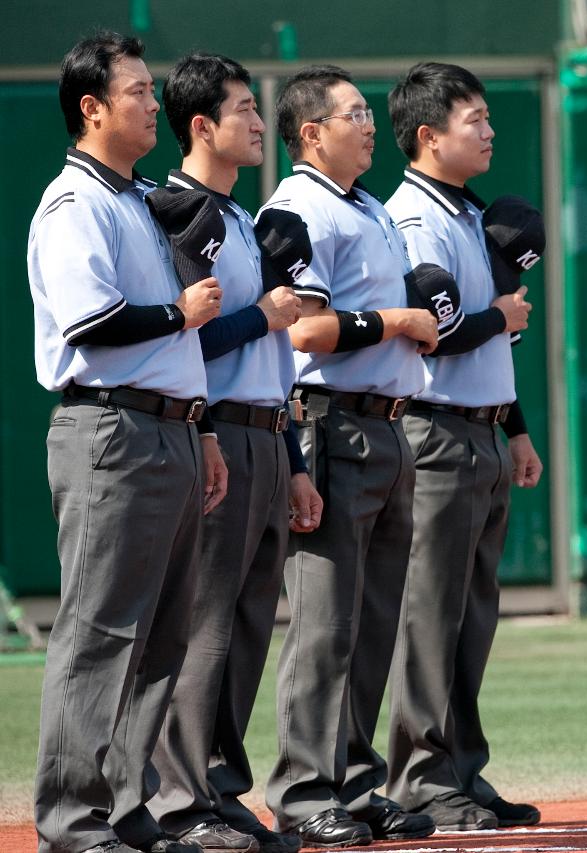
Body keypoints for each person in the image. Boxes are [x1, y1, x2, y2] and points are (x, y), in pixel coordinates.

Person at [29, 31, 228, 853]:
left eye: (152, 90)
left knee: (160, 634)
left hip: (171, 428)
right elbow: (95, 324)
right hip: (110, 425)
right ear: (92, 106)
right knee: (101, 628)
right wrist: (184, 313)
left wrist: (204, 430)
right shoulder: (74, 204)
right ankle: (72, 818)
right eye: (139, 91)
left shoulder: (138, 197)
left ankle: (124, 804)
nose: (155, 104)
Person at [144, 52, 323, 853]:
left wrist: (296, 462)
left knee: (248, 623)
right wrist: (267, 314)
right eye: (245, 109)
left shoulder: (245, 220)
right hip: (207, 429)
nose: (259, 121)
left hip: (263, 432)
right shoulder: (178, 210)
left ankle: (218, 787)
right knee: (203, 625)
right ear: (202, 125)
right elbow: (192, 335)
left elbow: (272, 358)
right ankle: (179, 799)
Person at [256, 64, 439, 848]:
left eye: (369, 112)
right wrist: (397, 320)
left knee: (372, 620)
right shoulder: (298, 206)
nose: (369, 124)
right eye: (354, 113)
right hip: (330, 423)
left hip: (386, 425)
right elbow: (305, 332)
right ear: (311, 133)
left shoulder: (366, 205)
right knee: (325, 622)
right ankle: (302, 789)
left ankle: (356, 781)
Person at [382, 60, 542, 832]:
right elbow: (437, 334)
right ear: (427, 135)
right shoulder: (412, 217)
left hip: (480, 428)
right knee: (430, 612)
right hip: (434, 430)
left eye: (486, 116)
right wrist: (503, 317)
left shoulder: (470, 213)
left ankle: (460, 770)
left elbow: (484, 336)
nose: (488, 129)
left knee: (472, 614)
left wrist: (515, 427)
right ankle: (418, 775)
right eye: (472, 118)